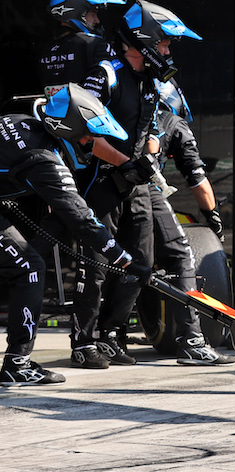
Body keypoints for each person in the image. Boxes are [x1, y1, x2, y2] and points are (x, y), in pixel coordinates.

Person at [70, 0, 200, 369]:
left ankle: (112, 335)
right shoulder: (105, 74)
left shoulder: (151, 80)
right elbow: (83, 134)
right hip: (102, 182)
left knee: (141, 263)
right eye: (164, 43)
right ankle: (83, 341)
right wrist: (127, 163)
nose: (168, 50)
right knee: (95, 262)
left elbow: (153, 128)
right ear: (144, 39)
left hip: (137, 184)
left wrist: (149, 155)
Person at [0, 85, 135, 385]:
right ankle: (17, 365)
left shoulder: (22, 122)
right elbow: (80, 216)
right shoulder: (43, 158)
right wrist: (123, 258)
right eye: (88, 135)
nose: (91, 143)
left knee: (25, 262)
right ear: (69, 128)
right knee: (30, 269)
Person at [145, 79, 233, 365]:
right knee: (182, 257)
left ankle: (100, 340)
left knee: (119, 264)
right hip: (146, 197)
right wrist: (213, 217)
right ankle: (192, 340)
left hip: (105, 197)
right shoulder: (172, 122)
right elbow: (197, 179)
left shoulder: (125, 114)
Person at [38, 0, 124, 97]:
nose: (97, 20)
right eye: (93, 13)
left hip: (51, 113)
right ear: (77, 10)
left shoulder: (45, 48)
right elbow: (120, 86)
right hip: (90, 113)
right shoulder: (95, 44)